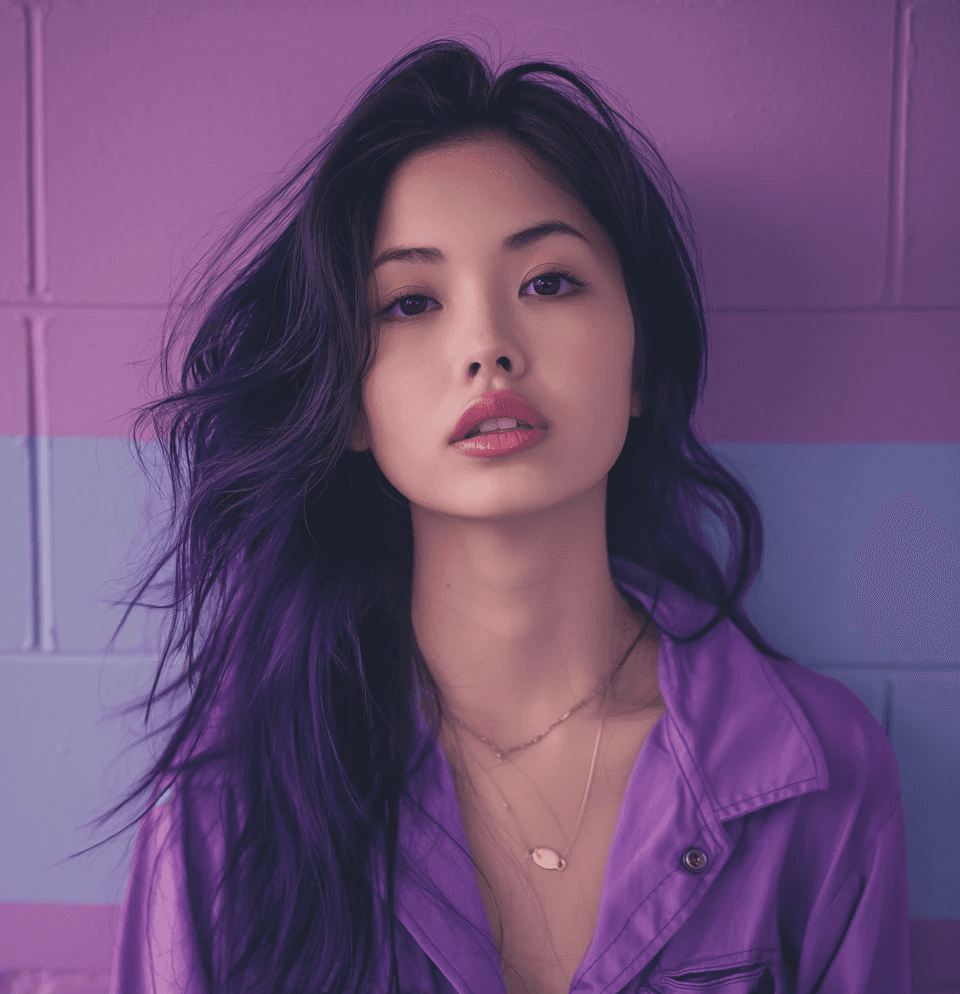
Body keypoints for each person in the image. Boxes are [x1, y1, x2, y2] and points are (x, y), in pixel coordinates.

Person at [66, 35, 910, 994]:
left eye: (548, 282)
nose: (487, 348)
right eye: (411, 301)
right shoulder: (227, 810)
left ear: (641, 363)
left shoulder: (821, 778)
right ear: (347, 403)